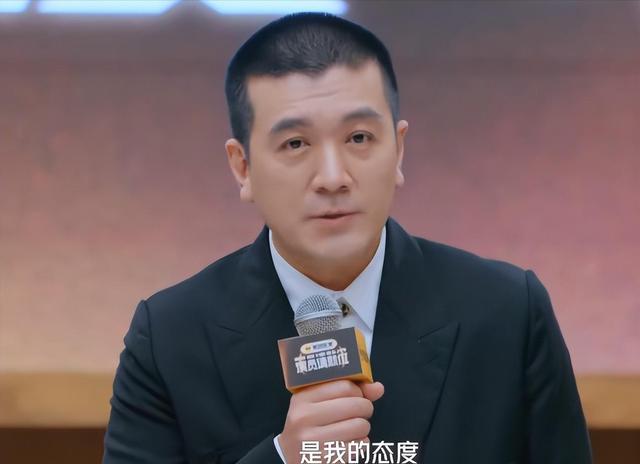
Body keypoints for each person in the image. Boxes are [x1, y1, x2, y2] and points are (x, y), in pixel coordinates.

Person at [102, 12, 592, 464]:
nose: (333, 177)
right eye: (296, 143)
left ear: (398, 149)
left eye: (359, 138)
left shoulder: (507, 313)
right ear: (243, 167)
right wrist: (283, 457)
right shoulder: (170, 338)